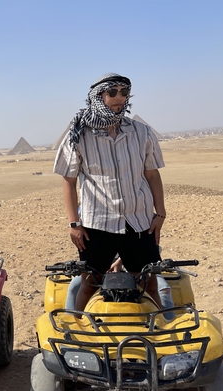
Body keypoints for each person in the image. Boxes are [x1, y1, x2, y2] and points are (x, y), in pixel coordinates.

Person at [54, 73, 166, 312]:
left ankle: (160, 334)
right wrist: (74, 223)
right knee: (89, 284)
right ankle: (78, 332)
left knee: (149, 283)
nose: (120, 97)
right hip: (98, 224)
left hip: (139, 222)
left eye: (124, 92)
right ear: (98, 96)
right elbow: (68, 180)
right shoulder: (79, 135)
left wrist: (161, 214)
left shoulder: (141, 132)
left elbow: (153, 175)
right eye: (112, 92)